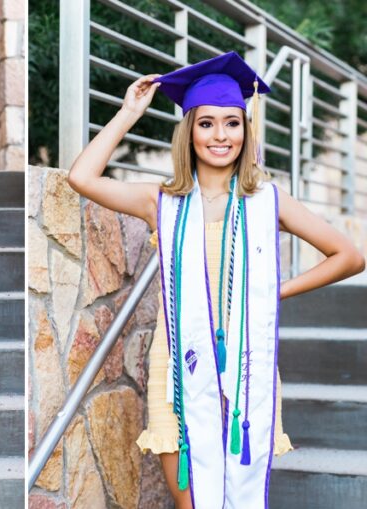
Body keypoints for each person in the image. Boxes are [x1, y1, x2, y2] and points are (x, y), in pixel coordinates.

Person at [67, 52, 364, 508]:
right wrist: (128, 113)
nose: (220, 135)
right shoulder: (161, 202)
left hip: (248, 364)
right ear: (189, 132)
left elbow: (349, 256)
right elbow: (81, 177)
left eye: (232, 123)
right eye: (206, 124)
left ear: (246, 132)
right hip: (180, 367)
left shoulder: (267, 202)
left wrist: (272, 293)